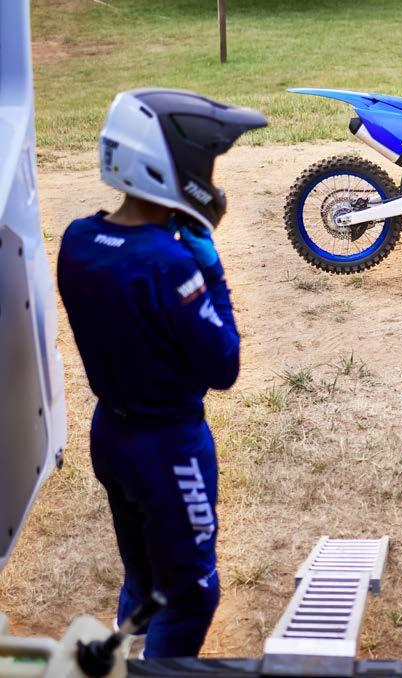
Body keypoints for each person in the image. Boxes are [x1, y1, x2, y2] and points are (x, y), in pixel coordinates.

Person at [57, 89, 266, 658]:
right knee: (190, 595)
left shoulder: (78, 240)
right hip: (168, 445)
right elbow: (224, 365)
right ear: (174, 164)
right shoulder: (168, 263)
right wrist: (210, 268)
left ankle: (125, 660)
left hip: (111, 434)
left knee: (144, 576)